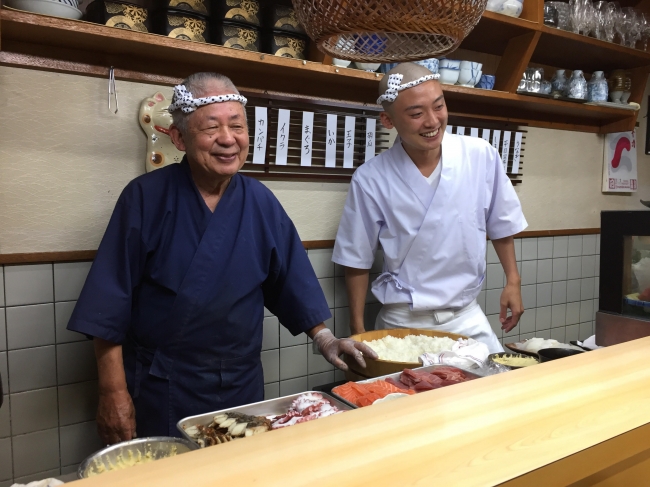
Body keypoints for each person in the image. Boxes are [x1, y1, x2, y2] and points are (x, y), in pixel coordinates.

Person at [68, 72, 376, 444]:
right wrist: (113, 393)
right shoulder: (144, 198)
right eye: (211, 128)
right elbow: (108, 304)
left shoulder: (260, 202)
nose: (228, 139)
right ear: (179, 137)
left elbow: (290, 281)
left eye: (237, 126)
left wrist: (325, 338)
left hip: (242, 384)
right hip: (164, 386)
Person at [332, 63, 527, 353]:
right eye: (416, 113)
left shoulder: (479, 155)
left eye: (439, 106)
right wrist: (358, 331)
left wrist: (513, 281)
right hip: (403, 322)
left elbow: (501, 223)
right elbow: (357, 260)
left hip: (466, 316)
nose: (432, 121)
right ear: (388, 120)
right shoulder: (371, 177)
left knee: (497, 389)